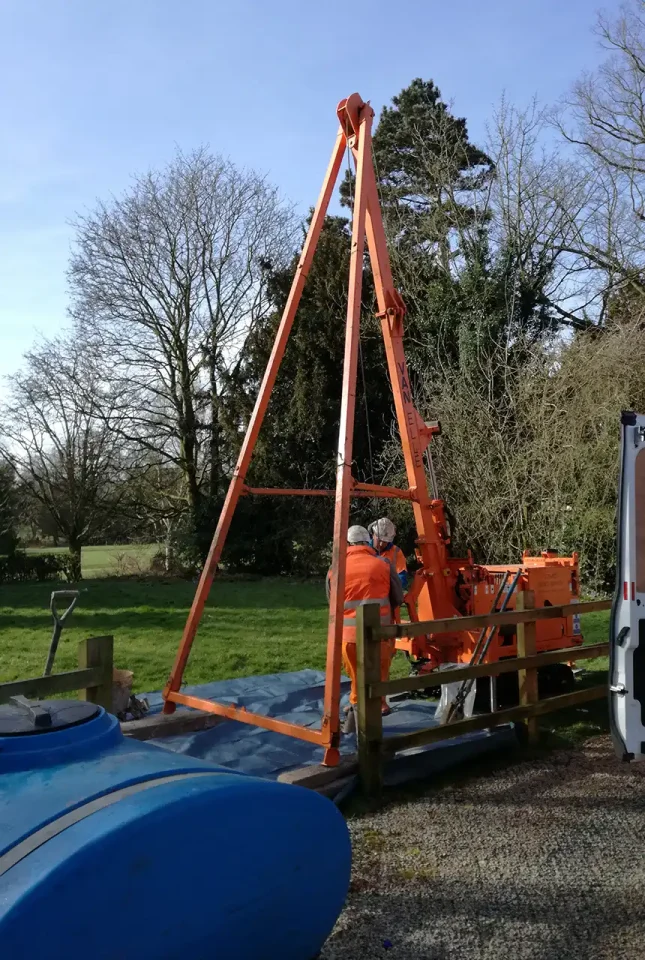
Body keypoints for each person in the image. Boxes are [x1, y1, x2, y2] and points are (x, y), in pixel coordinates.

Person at [326, 524, 404, 733]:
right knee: (380, 670)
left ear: (348, 543)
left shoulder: (335, 568)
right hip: (381, 632)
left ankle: (355, 706)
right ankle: (380, 704)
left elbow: (331, 601)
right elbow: (398, 596)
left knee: (355, 671)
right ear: (367, 540)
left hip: (349, 634)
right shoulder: (384, 564)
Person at [369, 517, 409, 592]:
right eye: (379, 540)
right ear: (373, 534)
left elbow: (401, 577)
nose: (381, 544)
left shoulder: (396, 552)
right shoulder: (364, 550)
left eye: (385, 541)